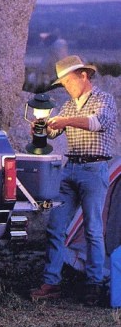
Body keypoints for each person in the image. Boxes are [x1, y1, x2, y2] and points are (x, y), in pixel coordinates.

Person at [30, 55, 118, 305]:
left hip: (94, 169)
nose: (67, 87)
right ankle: (51, 282)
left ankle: (94, 283)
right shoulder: (69, 106)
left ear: (83, 75)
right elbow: (52, 130)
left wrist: (65, 121)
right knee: (55, 227)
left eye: (68, 81)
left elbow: (95, 122)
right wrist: (41, 128)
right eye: (64, 84)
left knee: (92, 229)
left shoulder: (104, 100)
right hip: (70, 170)